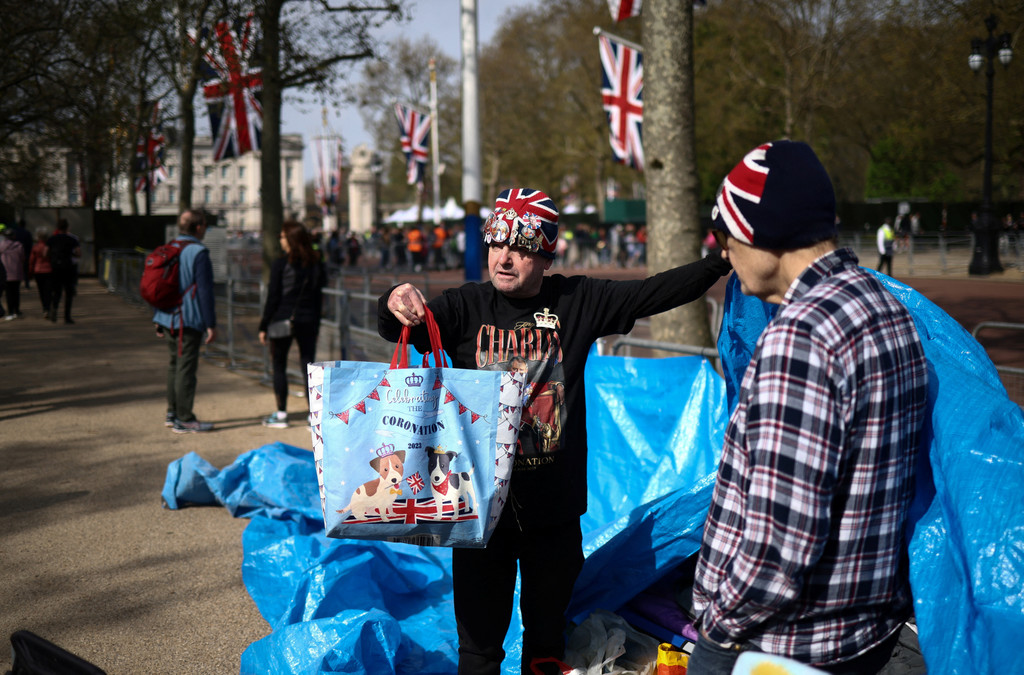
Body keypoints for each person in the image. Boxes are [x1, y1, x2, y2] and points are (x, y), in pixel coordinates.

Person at [378, 187, 731, 674]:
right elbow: (395, 323)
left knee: (546, 648)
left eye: (522, 248)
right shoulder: (464, 307)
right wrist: (394, 298)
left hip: (554, 512)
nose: (506, 257)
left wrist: (718, 263)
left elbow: (655, 291)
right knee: (478, 653)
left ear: (545, 256)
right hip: (478, 511)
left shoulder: (577, 300)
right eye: (498, 243)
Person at [689, 141, 929, 675]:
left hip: (780, 644)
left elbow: (779, 546)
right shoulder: (883, 305)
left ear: (763, 233)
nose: (723, 252)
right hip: (865, 628)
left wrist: (717, 624)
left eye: (727, 237)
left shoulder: (799, 337)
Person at [153, 208, 217, 433]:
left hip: (166, 315)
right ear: (198, 227)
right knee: (186, 369)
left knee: (174, 366)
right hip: (187, 319)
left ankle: (173, 413)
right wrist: (210, 323)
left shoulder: (168, 248)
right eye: (205, 226)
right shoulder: (198, 252)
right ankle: (185, 417)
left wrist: (157, 317)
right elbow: (204, 291)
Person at [258, 220, 326, 428]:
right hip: (308, 320)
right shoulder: (316, 262)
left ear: (291, 239)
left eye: (283, 236)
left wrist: (263, 325)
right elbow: (319, 297)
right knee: (308, 367)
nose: (280, 239)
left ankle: (281, 415)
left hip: (281, 318)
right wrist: (316, 323)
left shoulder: (280, 263)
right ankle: (311, 415)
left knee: (279, 366)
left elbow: (273, 297)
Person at [46, 218, 81, 324]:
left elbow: (45, 253)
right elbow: (79, 253)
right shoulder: (72, 239)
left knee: (57, 291)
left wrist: (52, 258)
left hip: (55, 268)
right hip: (68, 267)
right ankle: (67, 316)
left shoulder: (52, 239)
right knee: (68, 293)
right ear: (67, 227)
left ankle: (54, 309)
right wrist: (72, 254)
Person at [0, 224, 25, 320]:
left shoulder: (1, 245)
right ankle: (17, 310)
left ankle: (10, 311)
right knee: (16, 292)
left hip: (5, 273)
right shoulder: (19, 245)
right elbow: (23, 258)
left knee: (8, 293)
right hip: (16, 272)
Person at [29, 227, 54, 318]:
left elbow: (32, 261)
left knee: (41, 291)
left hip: (38, 271)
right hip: (48, 270)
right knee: (48, 290)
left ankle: (44, 308)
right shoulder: (49, 247)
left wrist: (30, 272)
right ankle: (48, 307)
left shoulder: (35, 247)